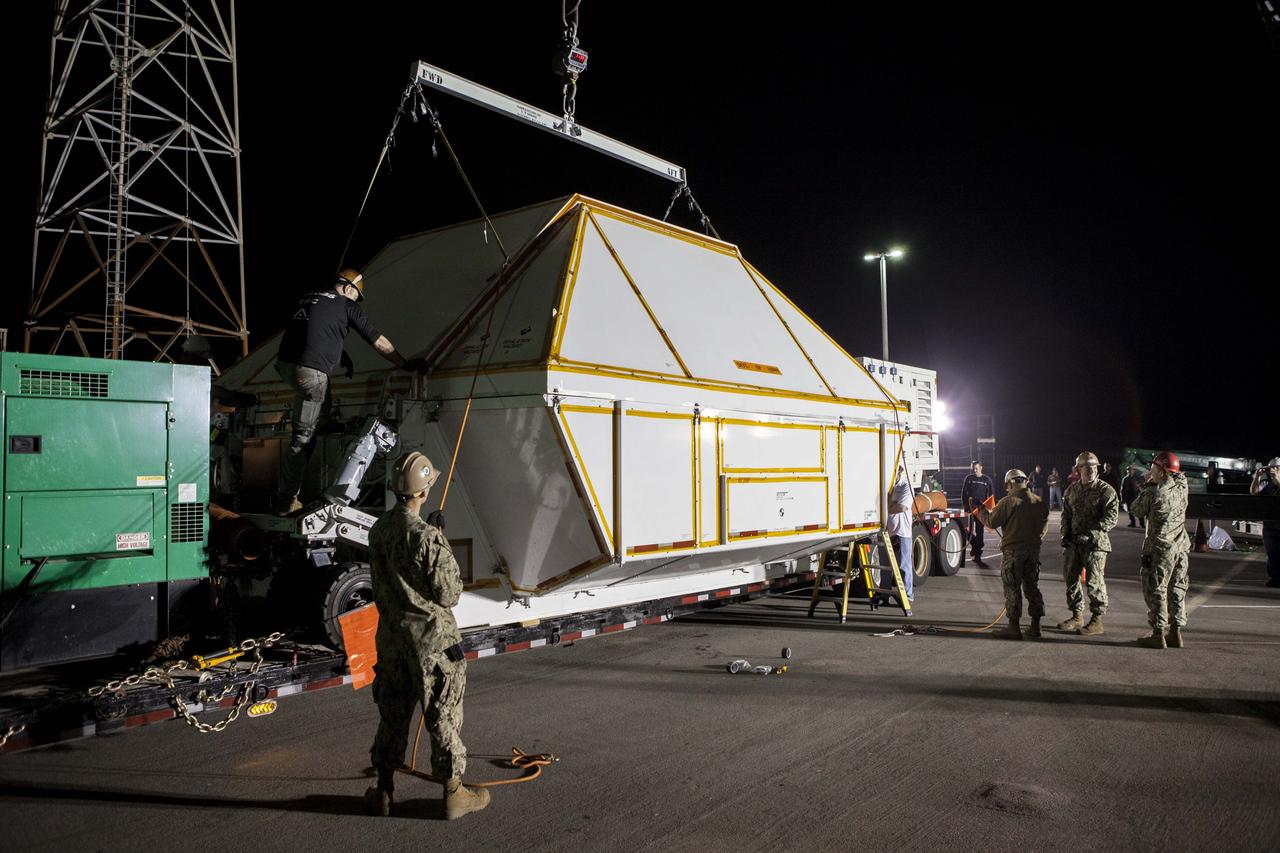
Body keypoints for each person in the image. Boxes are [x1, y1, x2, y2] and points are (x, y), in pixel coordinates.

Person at [365, 451, 488, 820]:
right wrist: (438, 540)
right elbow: (448, 593)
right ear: (423, 491)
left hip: (392, 640)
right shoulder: (425, 537)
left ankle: (383, 791)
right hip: (433, 645)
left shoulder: (379, 529)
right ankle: (453, 794)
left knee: (392, 714)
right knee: (442, 716)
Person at [273, 269, 423, 514]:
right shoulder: (346, 305)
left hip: (286, 367)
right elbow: (378, 341)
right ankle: (287, 498)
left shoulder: (308, 298)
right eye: (356, 295)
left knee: (321, 391)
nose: (355, 300)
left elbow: (314, 331)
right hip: (310, 373)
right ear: (348, 288)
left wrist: (340, 355)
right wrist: (405, 364)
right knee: (303, 438)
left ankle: (321, 422)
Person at [974, 469, 1050, 640]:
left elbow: (992, 522)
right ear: (1025, 482)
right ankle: (1035, 626)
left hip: (1013, 552)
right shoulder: (1038, 501)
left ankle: (1013, 627)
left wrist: (980, 510)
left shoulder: (1008, 501)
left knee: (1012, 587)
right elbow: (1043, 527)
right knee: (1032, 586)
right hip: (1033, 551)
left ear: (1009, 484)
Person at [1131, 451, 1191, 649]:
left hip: (1159, 549)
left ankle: (1158, 633)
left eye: (1154, 468)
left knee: (1156, 588)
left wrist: (1146, 486)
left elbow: (1136, 510)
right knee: (1177, 589)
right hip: (1180, 547)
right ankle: (1175, 633)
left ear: (1162, 472)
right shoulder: (1182, 487)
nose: (1150, 470)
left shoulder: (1153, 492)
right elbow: (1179, 476)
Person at [1056, 451, 1120, 635]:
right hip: (1074, 544)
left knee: (1094, 582)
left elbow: (1111, 517)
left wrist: (1091, 534)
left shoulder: (1105, 490)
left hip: (1095, 545)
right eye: (1086, 467)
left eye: (1094, 467)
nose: (1091, 470)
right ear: (1078, 469)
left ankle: (1097, 620)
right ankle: (1077, 616)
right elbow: (1066, 514)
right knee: (1071, 579)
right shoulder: (1072, 490)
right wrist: (1065, 534)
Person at [885, 466, 915, 603]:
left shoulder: (906, 486)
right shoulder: (890, 487)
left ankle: (907, 596)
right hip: (889, 532)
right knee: (886, 566)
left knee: (903, 566)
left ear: (899, 472)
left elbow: (902, 507)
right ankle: (884, 595)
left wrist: (886, 510)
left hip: (902, 532)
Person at [1252, 457, 1280, 588]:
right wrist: (1257, 477)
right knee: (1272, 552)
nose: (1273, 471)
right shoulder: (1267, 484)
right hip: (1270, 525)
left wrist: (1277, 480)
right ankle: (1275, 578)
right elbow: (1254, 493)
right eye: (1271, 468)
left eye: (1277, 468)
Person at [961, 461, 996, 563]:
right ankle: (976, 545)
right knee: (968, 531)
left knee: (980, 532)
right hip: (970, 510)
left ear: (981, 468)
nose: (975, 470)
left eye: (976, 468)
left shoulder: (987, 480)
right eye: (973, 468)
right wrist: (965, 506)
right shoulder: (969, 478)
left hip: (981, 510)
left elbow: (991, 495)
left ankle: (977, 554)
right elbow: (964, 493)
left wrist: (990, 509)